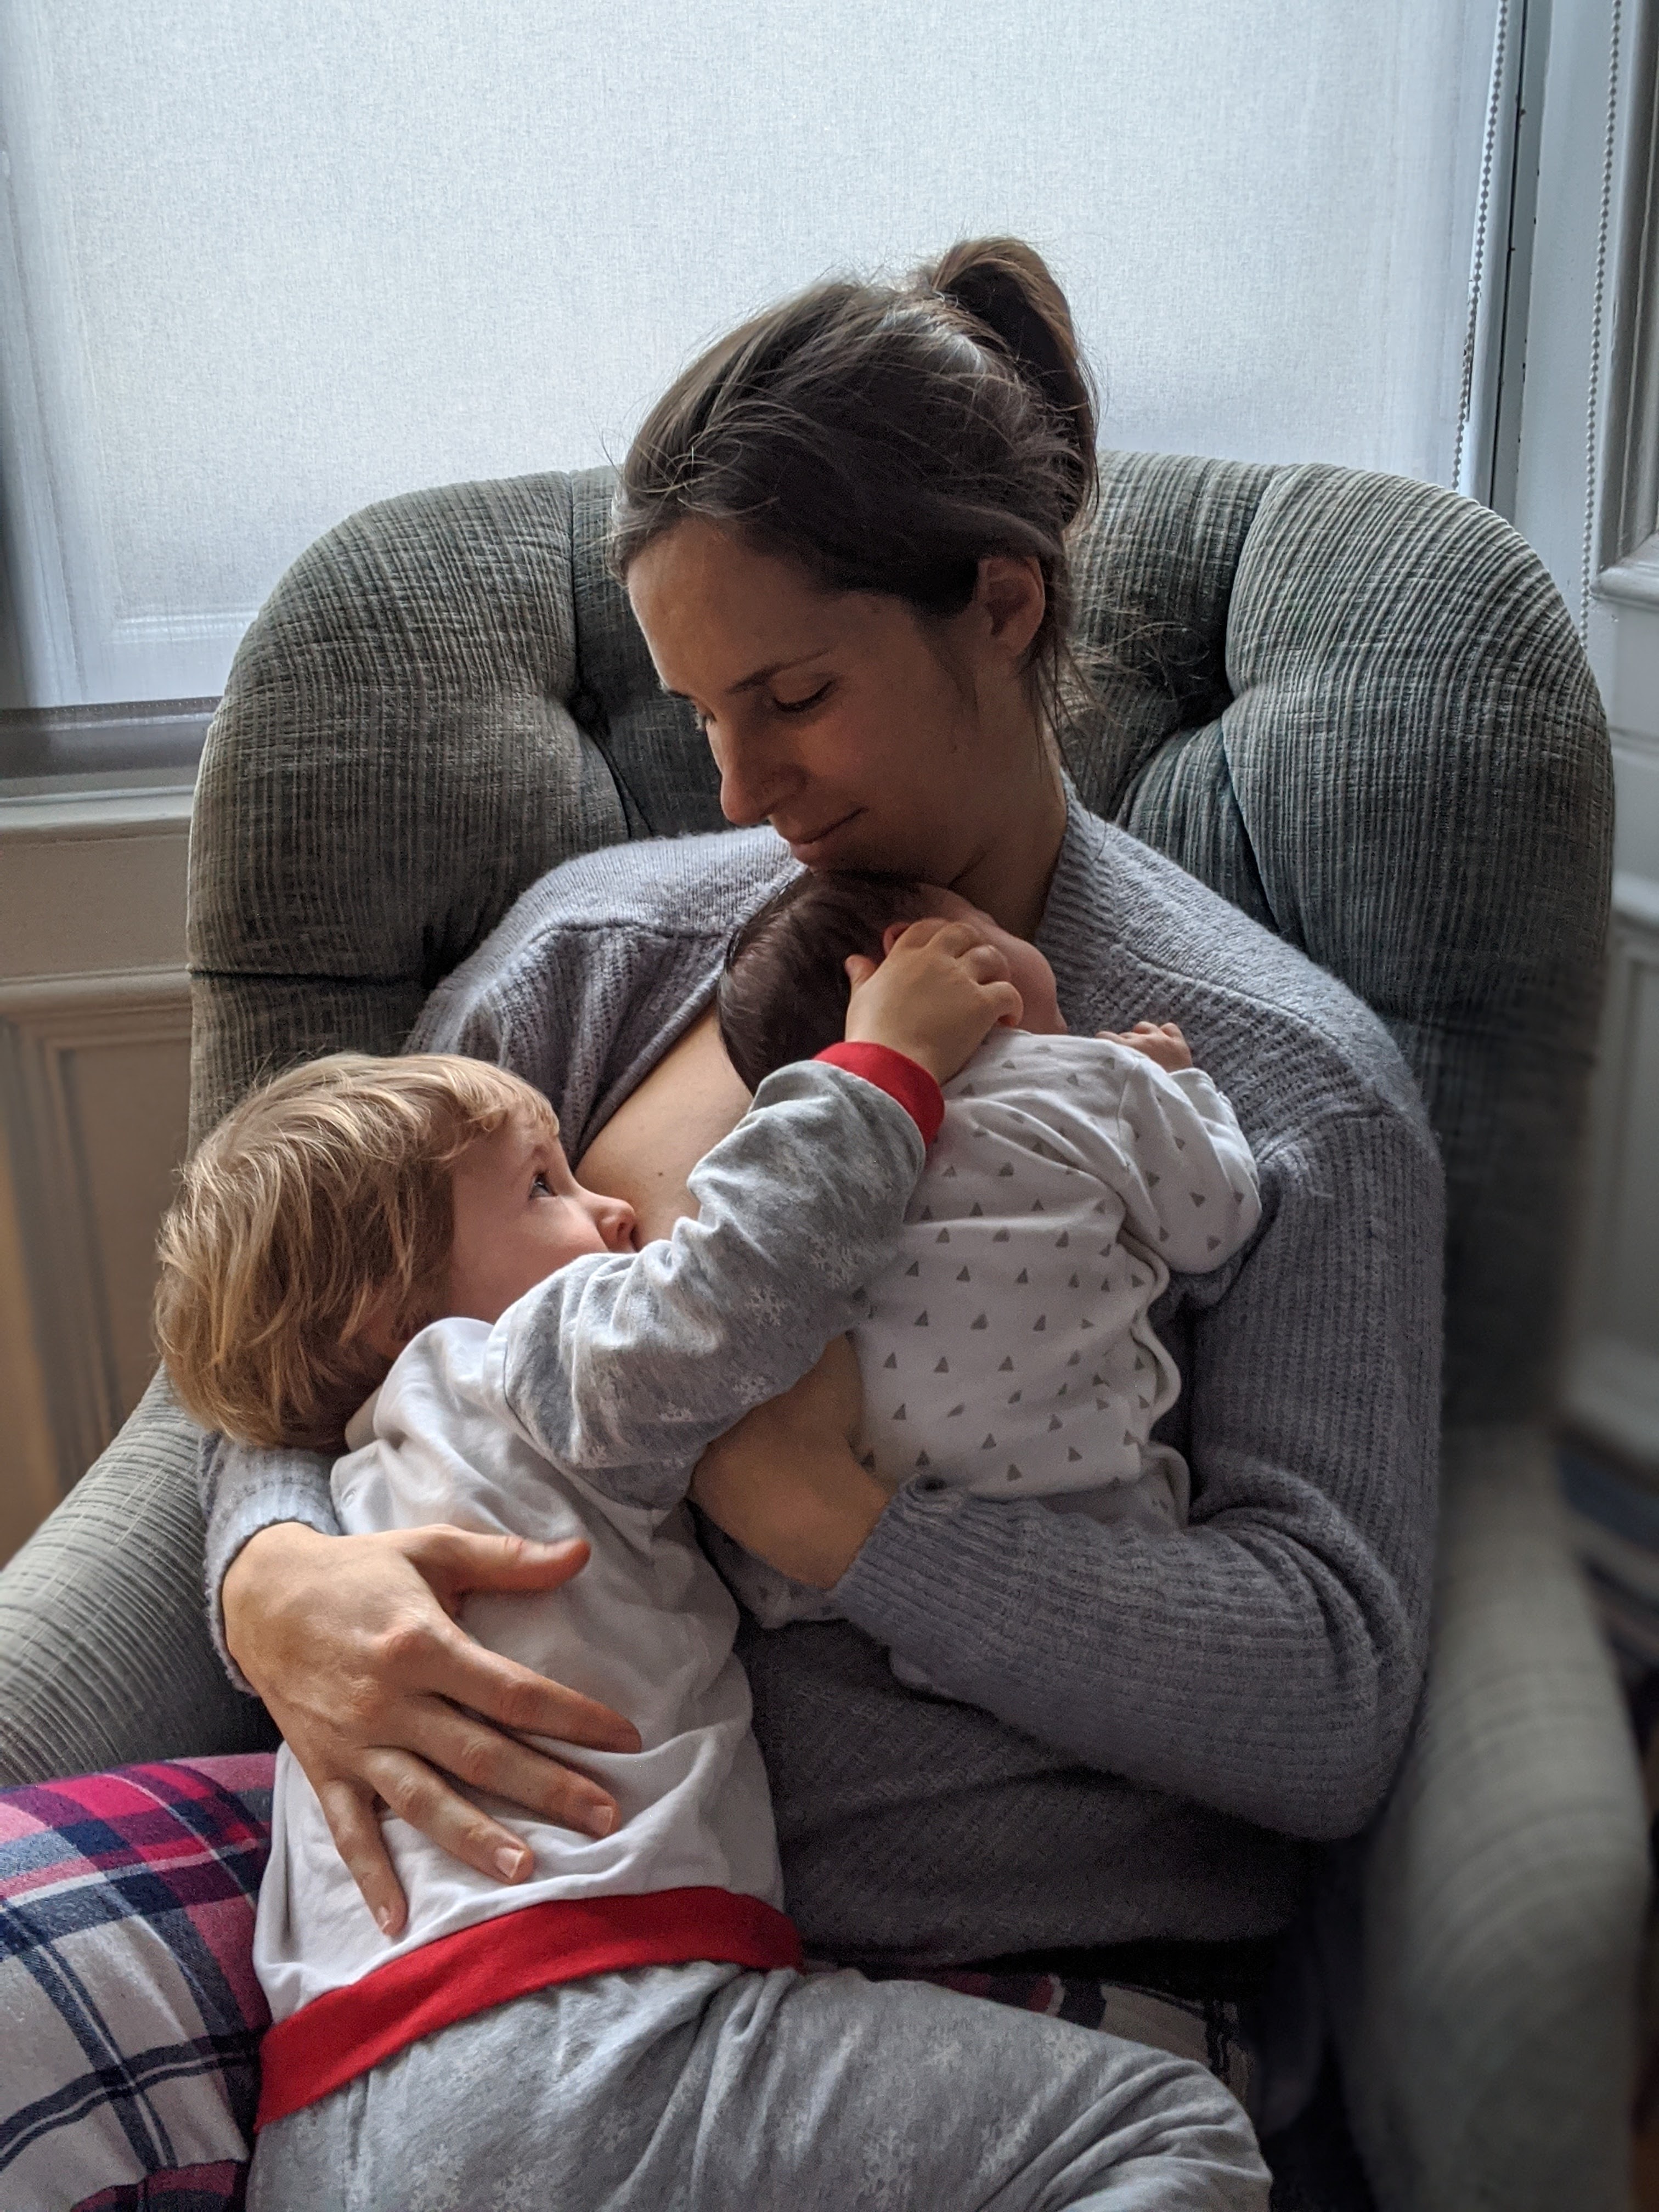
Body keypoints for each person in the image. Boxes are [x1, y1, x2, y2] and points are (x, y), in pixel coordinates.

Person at [205, 235, 1442, 2146]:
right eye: (698, 706)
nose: (731, 788)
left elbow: (1328, 1690)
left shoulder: (1280, 1087)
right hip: (470, 1943)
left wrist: (836, 1524)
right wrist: (275, 1576)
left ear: (1002, 603)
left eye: (789, 693)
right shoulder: (595, 957)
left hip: (985, 1992)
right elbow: (304, 1322)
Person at [155, 946, 1269, 2208]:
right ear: (380, 1315)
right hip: (589, 2042)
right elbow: (734, 1290)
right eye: (544, 1187)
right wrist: (882, 1068)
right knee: (1169, 2134)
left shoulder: (366, 1488)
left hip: (319, 2111)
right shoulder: (524, 1368)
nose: (616, 1212)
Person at [707, 868, 1262, 1675]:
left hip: (854, 1536)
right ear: (941, 955)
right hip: (1082, 1509)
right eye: (989, 920)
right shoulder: (1095, 1079)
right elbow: (1215, 1225)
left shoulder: (807, 1151)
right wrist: (1185, 1084)